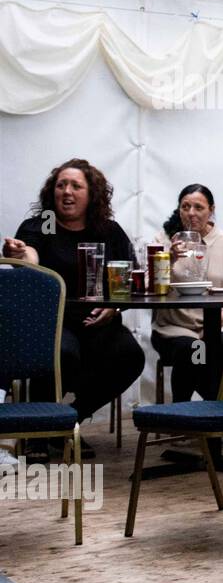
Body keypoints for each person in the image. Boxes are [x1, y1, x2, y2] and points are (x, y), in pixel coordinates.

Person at [4, 159, 145, 459]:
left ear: (91, 193)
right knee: (62, 353)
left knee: (131, 357)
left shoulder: (108, 230)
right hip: (52, 321)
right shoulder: (42, 224)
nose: (66, 192)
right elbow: (30, 256)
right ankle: (38, 436)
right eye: (60, 185)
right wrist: (20, 253)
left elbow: (128, 277)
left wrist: (114, 310)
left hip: (100, 320)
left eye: (75, 186)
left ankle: (69, 420)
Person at [150, 184, 223, 405]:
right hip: (175, 327)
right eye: (185, 207)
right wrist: (168, 258)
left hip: (218, 324)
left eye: (198, 207)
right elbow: (148, 290)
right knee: (193, 348)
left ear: (211, 210)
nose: (191, 213)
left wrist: (209, 328)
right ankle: (183, 410)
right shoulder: (164, 240)